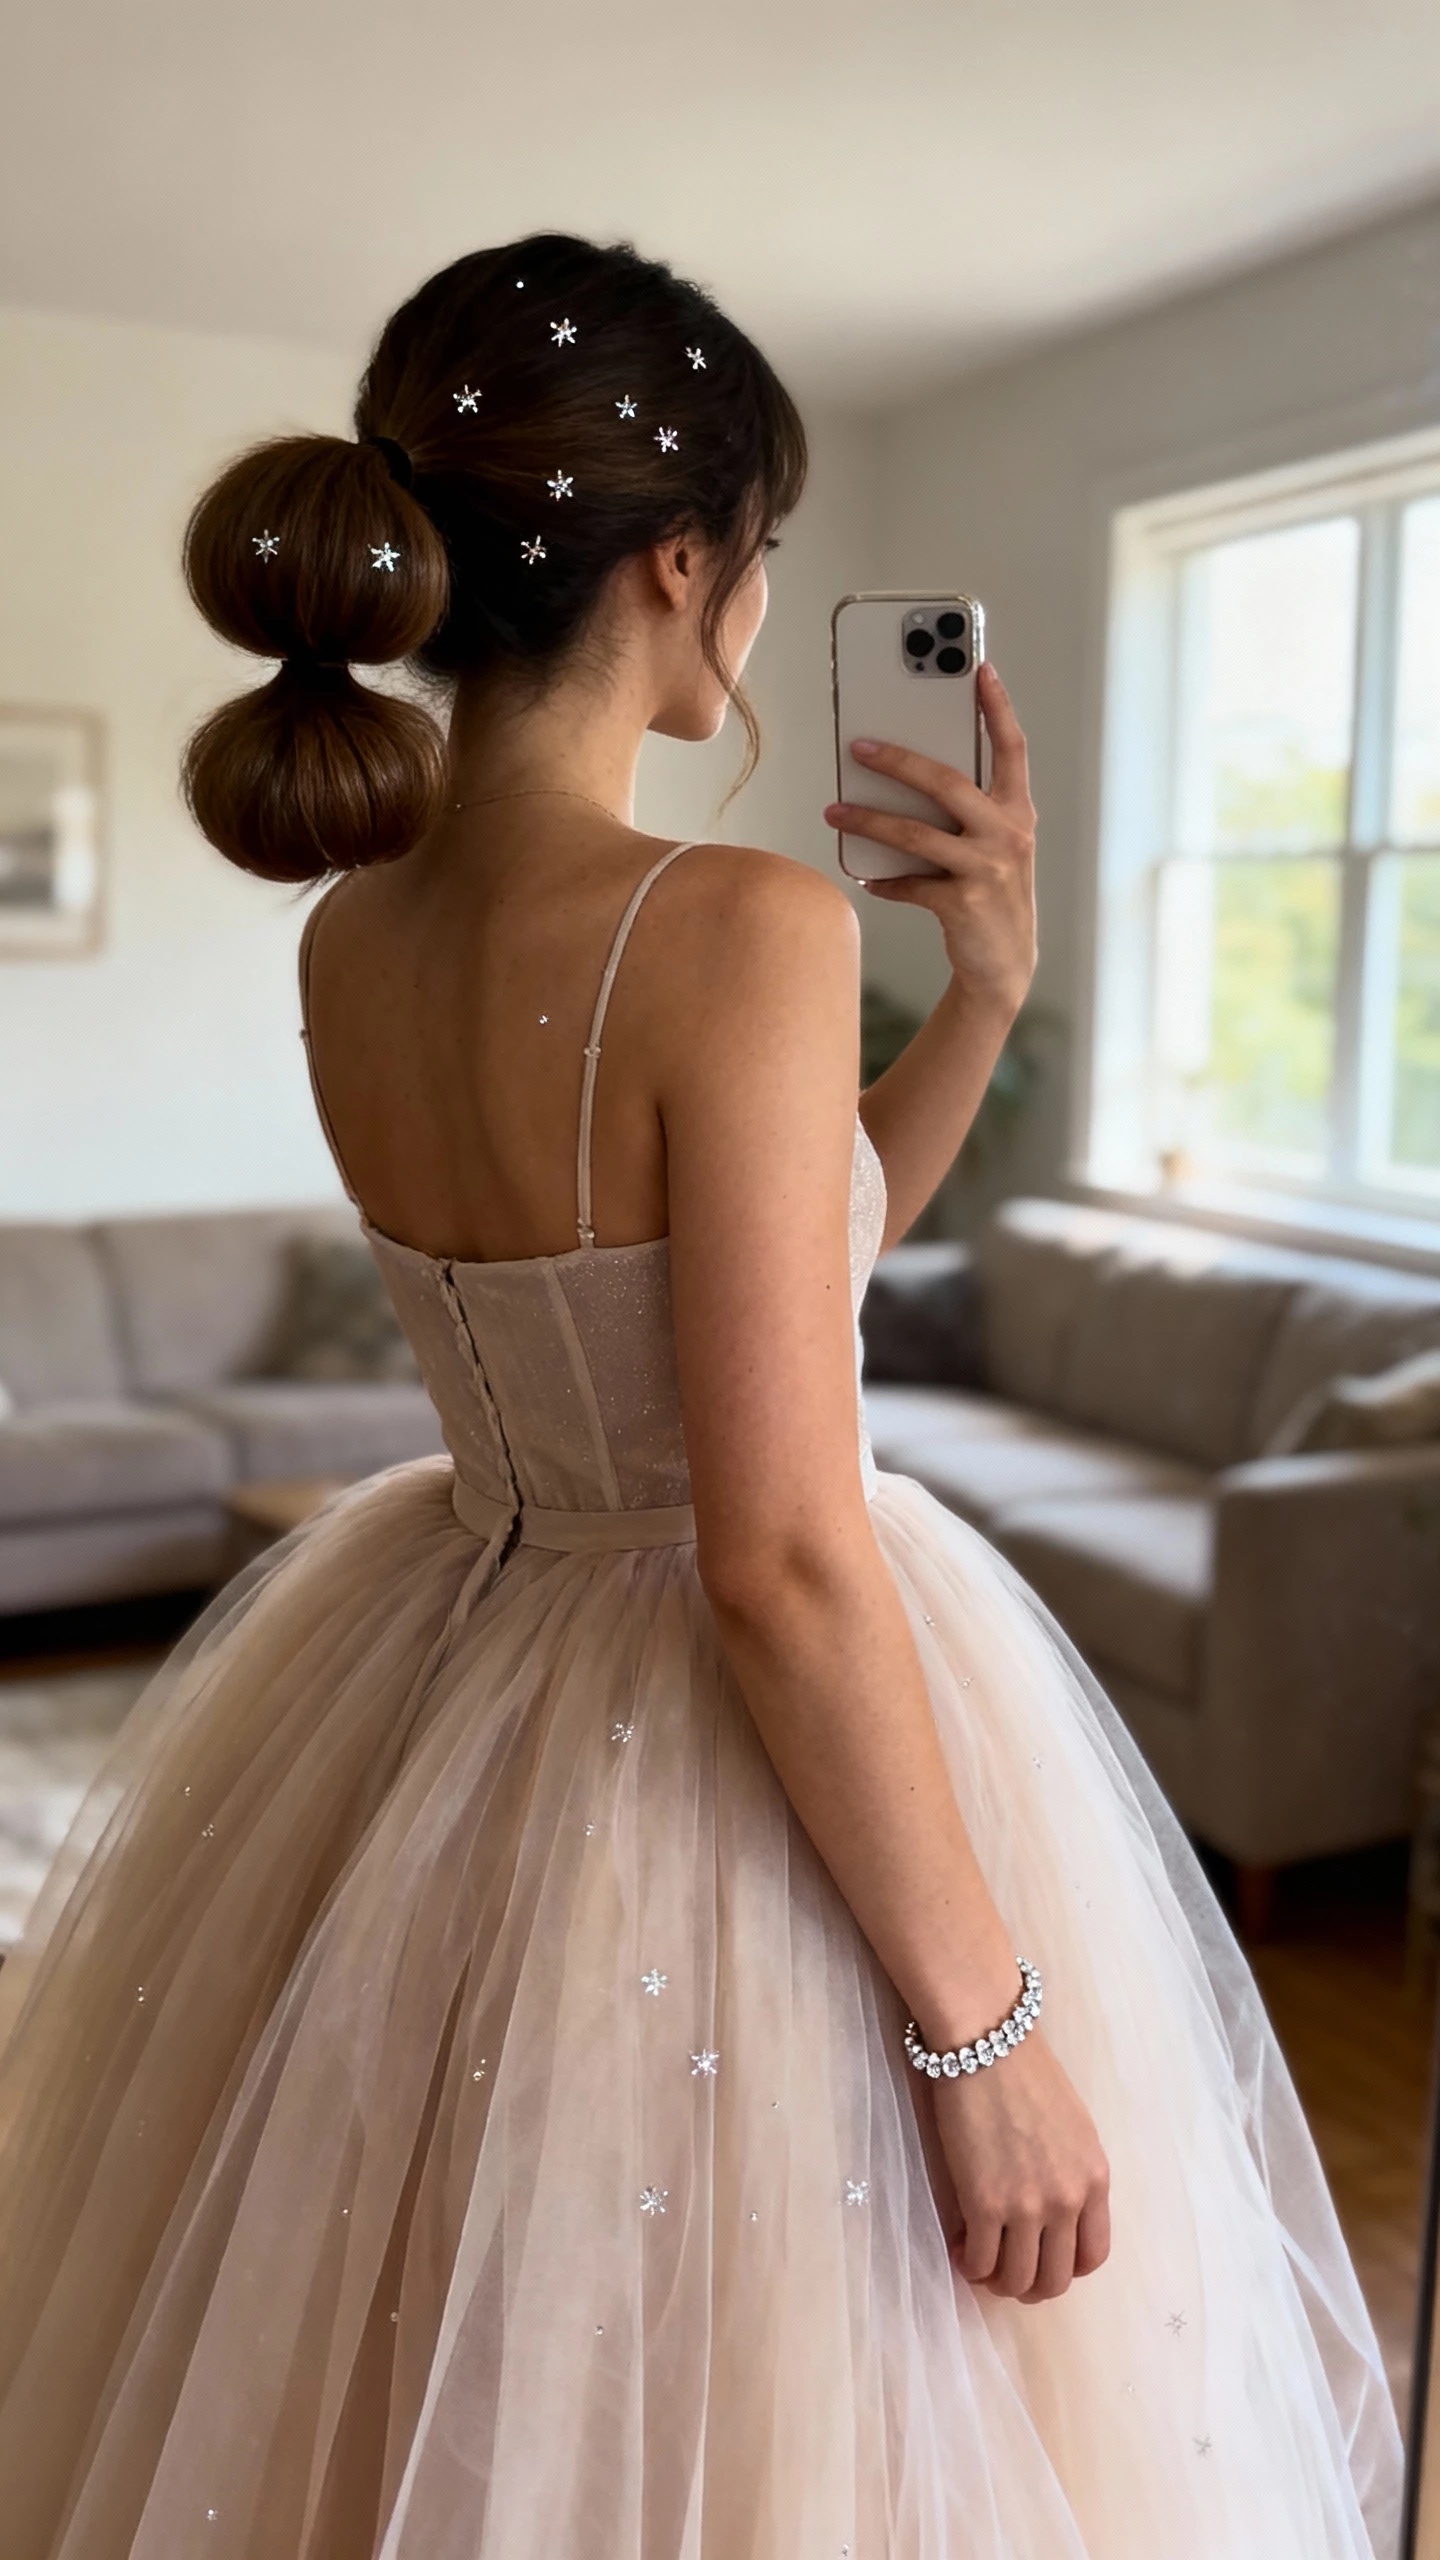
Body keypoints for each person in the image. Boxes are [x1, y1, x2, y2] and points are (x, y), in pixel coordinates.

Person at [0, 233, 1402, 2560]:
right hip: (704, 1748)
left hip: (451, 1669)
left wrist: (984, 990)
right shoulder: (738, 924)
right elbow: (776, 1549)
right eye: (759, 550)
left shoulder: (358, 930)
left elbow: (769, 1270)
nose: (756, 602)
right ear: (684, 564)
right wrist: (983, 2030)